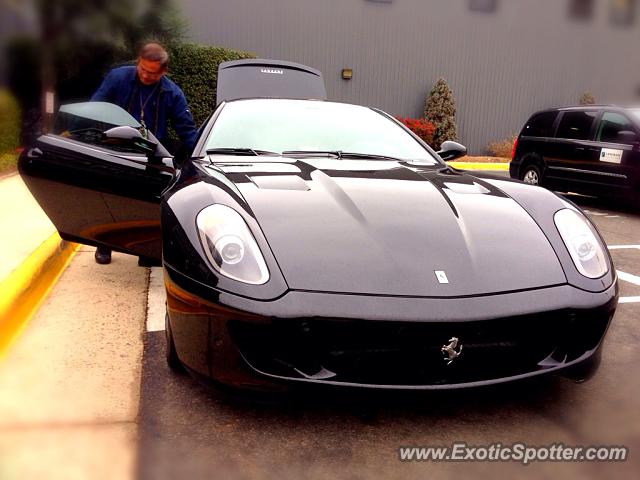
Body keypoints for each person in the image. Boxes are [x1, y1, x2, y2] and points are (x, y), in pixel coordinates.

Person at [90, 42, 198, 264]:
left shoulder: (172, 92)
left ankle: (144, 250)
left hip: (150, 152)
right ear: (138, 62)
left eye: (152, 73)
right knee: (110, 198)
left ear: (163, 71)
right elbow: (95, 106)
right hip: (115, 146)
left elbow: (186, 129)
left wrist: (200, 154)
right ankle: (105, 245)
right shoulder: (117, 78)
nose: (146, 75)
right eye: (143, 69)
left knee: (146, 202)